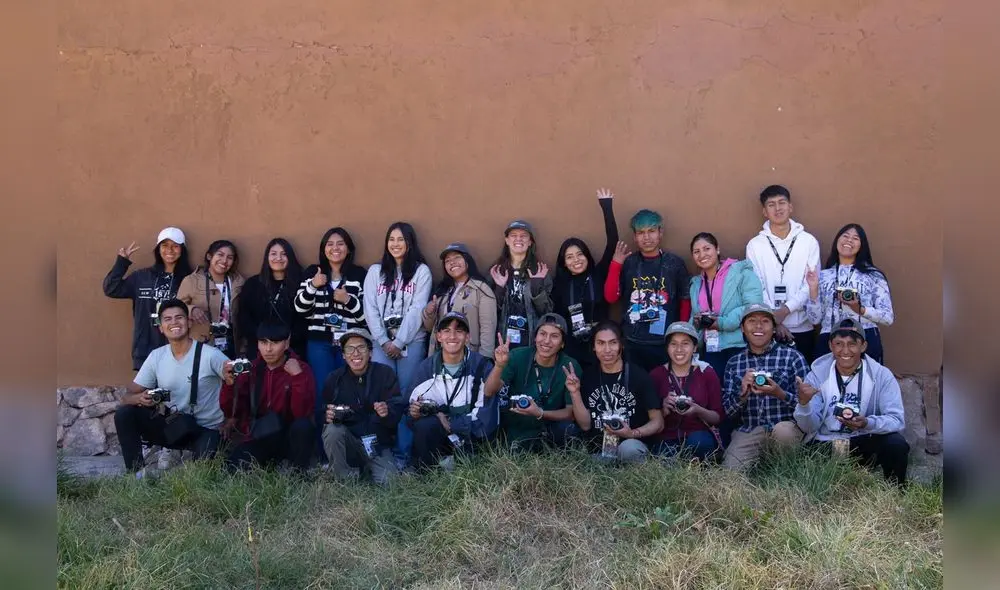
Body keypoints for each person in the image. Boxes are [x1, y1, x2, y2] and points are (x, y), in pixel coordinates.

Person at [113, 298, 232, 475]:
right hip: (174, 426)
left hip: (205, 430)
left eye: (179, 317)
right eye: (167, 319)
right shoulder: (157, 356)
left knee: (202, 476)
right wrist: (139, 398)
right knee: (125, 414)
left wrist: (231, 420)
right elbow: (127, 396)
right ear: (160, 327)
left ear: (189, 322)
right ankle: (135, 474)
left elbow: (238, 384)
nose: (174, 323)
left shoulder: (211, 355)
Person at [794, 319, 909, 485]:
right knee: (805, 455)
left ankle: (895, 492)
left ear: (863, 346)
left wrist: (867, 423)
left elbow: (896, 420)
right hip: (826, 442)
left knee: (896, 444)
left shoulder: (881, 375)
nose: (845, 350)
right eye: (839, 344)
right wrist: (804, 405)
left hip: (863, 441)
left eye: (852, 344)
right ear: (830, 346)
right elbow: (808, 427)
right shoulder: (817, 375)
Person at [294, 227, 367, 461]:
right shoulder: (312, 273)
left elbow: (367, 316)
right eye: (330, 244)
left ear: (348, 248)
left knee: (351, 393)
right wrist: (314, 286)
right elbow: (299, 309)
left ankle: (352, 451)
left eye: (340, 244)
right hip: (319, 344)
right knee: (322, 394)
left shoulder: (358, 275)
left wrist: (348, 300)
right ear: (323, 249)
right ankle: (323, 453)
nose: (335, 248)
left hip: (349, 344)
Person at [220, 320, 316, 473]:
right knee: (232, 469)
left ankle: (298, 471)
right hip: (260, 434)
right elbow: (232, 411)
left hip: (288, 436)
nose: (268, 349)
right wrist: (229, 384)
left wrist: (297, 378)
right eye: (263, 342)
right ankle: (270, 465)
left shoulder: (301, 369)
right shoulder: (251, 369)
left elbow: (302, 413)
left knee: (303, 426)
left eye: (275, 342)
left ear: (286, 343)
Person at [721, 303, 808, 470]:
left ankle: (788, 472)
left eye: (765, 321)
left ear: (774, 328)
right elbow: (728, 413)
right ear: (742, 329)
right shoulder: (734, 363)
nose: (758, 326)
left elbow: (809, 406)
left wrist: (780, 393)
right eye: (752, 321)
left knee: (784, 432)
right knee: (729, 474)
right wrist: (743, 393)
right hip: (750, 429)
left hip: (785, 426)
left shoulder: (793, 357)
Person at [406, 312, 497, 470]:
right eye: (447, 331)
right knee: (424, 427)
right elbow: (410, 415)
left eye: (459, 331)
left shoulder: (482, 366)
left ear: (467, 338)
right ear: (439, 337)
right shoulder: (426, 368)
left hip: (472, 438)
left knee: (471, 468)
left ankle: (464, 465)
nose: (452, 336)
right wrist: (414, 413)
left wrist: (450, 423)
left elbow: (486, 421)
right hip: (441, 440)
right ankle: (427, 475)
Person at [604, 208, 691, 371]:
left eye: (651, 231)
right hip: (632, 341)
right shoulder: (629, 263)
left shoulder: (674, 263)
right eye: (641, 232)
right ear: (634, 237)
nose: (647, 237)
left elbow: (684, 300)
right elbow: (610, 297)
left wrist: (681, 333)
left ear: (660, 232)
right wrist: (616, 264)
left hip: (665, 342)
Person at [566, 321, 663, 463]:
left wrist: (632, 433)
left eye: (612, 343)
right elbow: (585, 425)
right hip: (599, 451)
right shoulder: (588, 376)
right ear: (594, 347)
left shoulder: (639, 376)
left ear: (621, 345)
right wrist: (574, 393)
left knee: (629, 449)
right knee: (582, 461)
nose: (607, 350)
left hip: (631, 446)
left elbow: (658, 422)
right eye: (600, 343)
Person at [745, 185, 821, 364]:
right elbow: (756, 285)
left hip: (803, 326)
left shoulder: (808, 242)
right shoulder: (755, 245)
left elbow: (810, 284)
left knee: (801, 384)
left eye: (782, 203)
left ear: (790, 207)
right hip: (767, 330)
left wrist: (785, 310)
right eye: (771, 205)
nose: (777, 208)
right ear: (764, 211)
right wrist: (774, 320)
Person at [483, 313, 582, 451]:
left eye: (554, 336)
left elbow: (570, 413)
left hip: (549, 430)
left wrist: (540, 413)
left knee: (569, 430)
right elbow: (488, 391)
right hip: (516, 429)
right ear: (535, 337)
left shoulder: (570, 366)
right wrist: (499, 365)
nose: (546, 341)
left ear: (562, 343)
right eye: (542, 334)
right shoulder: (517, 356)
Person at [103, 227, 193, 370]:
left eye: (175, 246)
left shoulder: (190, 279)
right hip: (146, 349)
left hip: (180, 350)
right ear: (158, 249)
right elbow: (111, 289)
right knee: (150, 392)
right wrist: (121, 263)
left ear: (182, 250)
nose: (169, 250)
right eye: (164, 245)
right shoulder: (142, 276)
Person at [321, 329, 404, 484]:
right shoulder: (334, 379)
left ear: (370, 352)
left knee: (391, 482)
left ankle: (365, 471)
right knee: (332, 430)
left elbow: (398, 406)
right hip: (350, 443)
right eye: (350, 349)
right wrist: (327, 414)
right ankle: (343, 478)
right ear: (343, 355)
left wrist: (387, 411)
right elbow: (321, 411)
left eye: (361, 348)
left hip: (377, 445)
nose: (356, 353)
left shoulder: (385, 373)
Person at [805, 223, 893, 365]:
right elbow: (814, 320)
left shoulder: (873, 275)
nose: (849, 240)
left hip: (864, 336)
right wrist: (813, 289)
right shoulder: (822, 276)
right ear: (837, 241)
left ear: (862, 245)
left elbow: (888, 317)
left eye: (855, 238)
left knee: (866, 385)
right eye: (845, 236)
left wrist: (860, 309)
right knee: (825, 386)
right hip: (829, 337)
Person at [552, 188, 620, 368]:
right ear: (563, 262)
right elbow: (557, 316)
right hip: (572, 348)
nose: (576, 260)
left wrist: (606, 206)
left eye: (580, 254)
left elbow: (613, 241)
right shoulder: (560, 284)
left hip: (600, 345)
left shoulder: (598, 274)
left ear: (587, 255)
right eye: (570, 256)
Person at [363, 221, 432, 391]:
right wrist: (384, 341)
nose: (395, 244)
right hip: (381, 342)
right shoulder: (374, 271)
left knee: (408, 390)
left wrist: (399, 342)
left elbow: (417, 309)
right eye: (391, 239)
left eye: (400, 239)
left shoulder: (421, 271)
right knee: (383, 391)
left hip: (412, 341)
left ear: (409, 243)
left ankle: (405, 420)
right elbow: (370, 308)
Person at [687, 232, 764, 377]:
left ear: (717, 249)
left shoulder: (741, 273)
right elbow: (693, 315)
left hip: (739, 346)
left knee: (740, 392)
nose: (702, 254)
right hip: (710, 349)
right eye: (696, 252)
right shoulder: (696, 284)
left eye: (706, 249)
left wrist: (722, 323)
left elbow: (753, 306)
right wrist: (696, 324)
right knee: (715, 395)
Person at [649, 322, 723, 460]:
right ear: (667, 347)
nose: (679, 349)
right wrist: (664, 409)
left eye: (685, 344)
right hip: (667, 437)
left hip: (698, 435)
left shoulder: (706, 372)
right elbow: (647, 419)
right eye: (673, 344)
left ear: (695, 347)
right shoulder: (656, 375)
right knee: (663, 456)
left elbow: (717, 417)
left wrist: (697, 409)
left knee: (699, 443)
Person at [422, 242, 497, 359]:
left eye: (457, 257)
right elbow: (429, 328)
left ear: (468, 261)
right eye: (447, 260)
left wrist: (484, 361)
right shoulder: (442, 291)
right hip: (440, 357)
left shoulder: (481, 289)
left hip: (469, 356)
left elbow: (488, 328)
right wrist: (429, 313)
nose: (452, 262)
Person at [489, 220, 554, 352]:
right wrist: (499, 289)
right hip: (503, 344)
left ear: (530, 242)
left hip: (531, 343)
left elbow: (547, 313)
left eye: (524, 235)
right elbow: (489, 313)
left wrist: (537, 288)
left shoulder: (540, 272)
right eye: (513, 235)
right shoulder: (496, 271)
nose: (518, 239)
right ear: (507, 240)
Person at [237, 237, 307, 359]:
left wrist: (285, 341)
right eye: (273, 254)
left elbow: (305, 319)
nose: (278, 258)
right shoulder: (253, 284)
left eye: (284, 254)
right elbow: (244, 317)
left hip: (292, 350)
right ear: (267, 257)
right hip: (259, 350)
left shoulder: (301, 283)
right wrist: (263, 340)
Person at [177, 239, 245, 359]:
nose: (224, 261)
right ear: (209, 256)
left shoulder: (238, 282)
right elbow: (176, 307)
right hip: (201, 343)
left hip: (231, 344)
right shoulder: (192, 280)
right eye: (220, 255)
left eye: (230, 257)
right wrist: (191, 309)